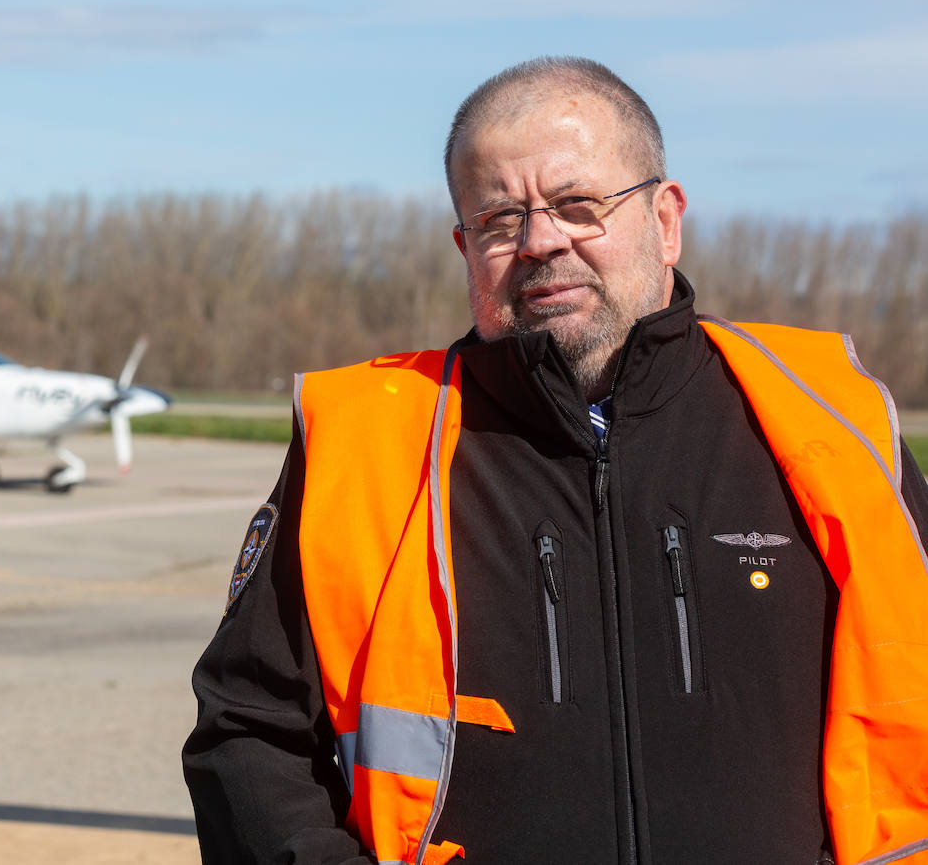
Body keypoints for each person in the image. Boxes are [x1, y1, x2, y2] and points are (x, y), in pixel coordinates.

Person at [182, 57, 928, 865]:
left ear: (665, 220)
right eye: (501, 220)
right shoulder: (361, 441)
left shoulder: (834, 419)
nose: (541, 241)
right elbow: (247, 733)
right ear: (466, 248)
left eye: (579, 205)